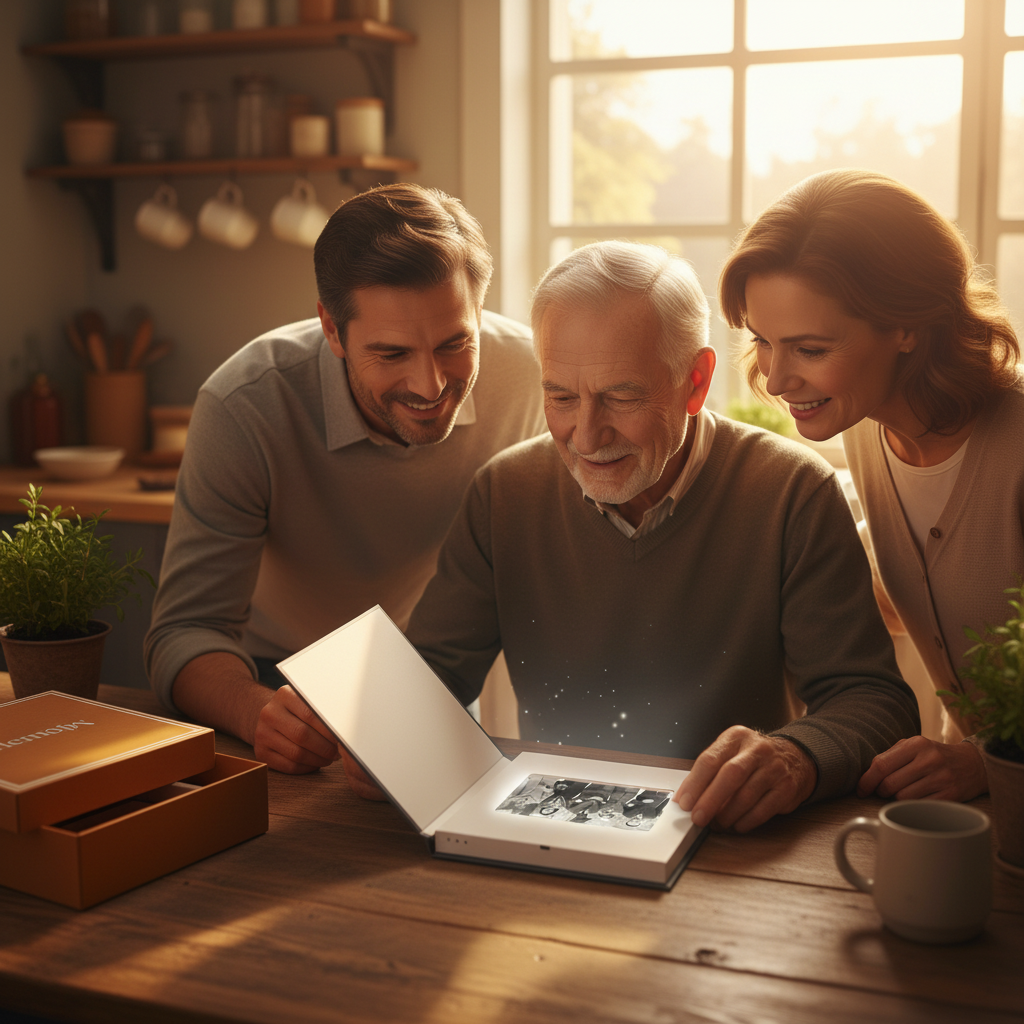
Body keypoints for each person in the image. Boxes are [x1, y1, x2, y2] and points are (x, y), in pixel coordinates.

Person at [344, 240, 919, 833]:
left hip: (729, 841)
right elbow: (431, 678)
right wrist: (377, 729)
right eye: (561, 396)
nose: (586, 437)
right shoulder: (504, 493)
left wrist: (797, 757)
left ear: (694, 382)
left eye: (621, 396)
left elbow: (875, 703)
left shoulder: (792, 492)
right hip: (547, 834)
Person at [145, 184, 545, 773]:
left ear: (479, 312)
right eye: (391, 355)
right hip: (272, 689)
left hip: (431, 677)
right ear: (332, 331)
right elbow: (183, 632)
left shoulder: (530, 376)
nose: (431, 386)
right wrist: (257, 712)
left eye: (454, 343)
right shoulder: (245, 405)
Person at [718, 168, 1023, 804]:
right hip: (975, 826)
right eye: (763, 342)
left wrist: (978, 765)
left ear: (907, 325)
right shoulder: (864, 425)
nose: (775, 381)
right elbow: (916, 588)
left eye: (809, 348)